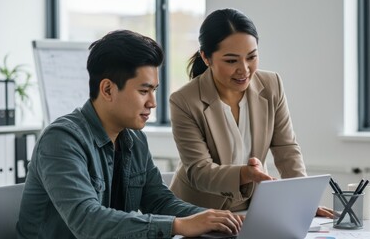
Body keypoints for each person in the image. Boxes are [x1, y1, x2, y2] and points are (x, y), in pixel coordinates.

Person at [16, 30, 243, 239]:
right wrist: (178, 225)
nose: (152, 103)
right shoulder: (61, 140)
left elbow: (159, 200)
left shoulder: (134, 139)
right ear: (107, 90)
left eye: (153, 90)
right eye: (144, 91)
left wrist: (218, 218)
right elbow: (87, 221)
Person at [169, 8, 333, 217]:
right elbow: (199, 171)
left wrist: (302, 200)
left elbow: (286, 148)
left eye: (251, 57)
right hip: (197, 212)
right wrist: (244, 174)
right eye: (231, 60)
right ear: (206, 57)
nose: (244, 69)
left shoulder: (271, 84)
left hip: (250, 210)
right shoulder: (184, 100)